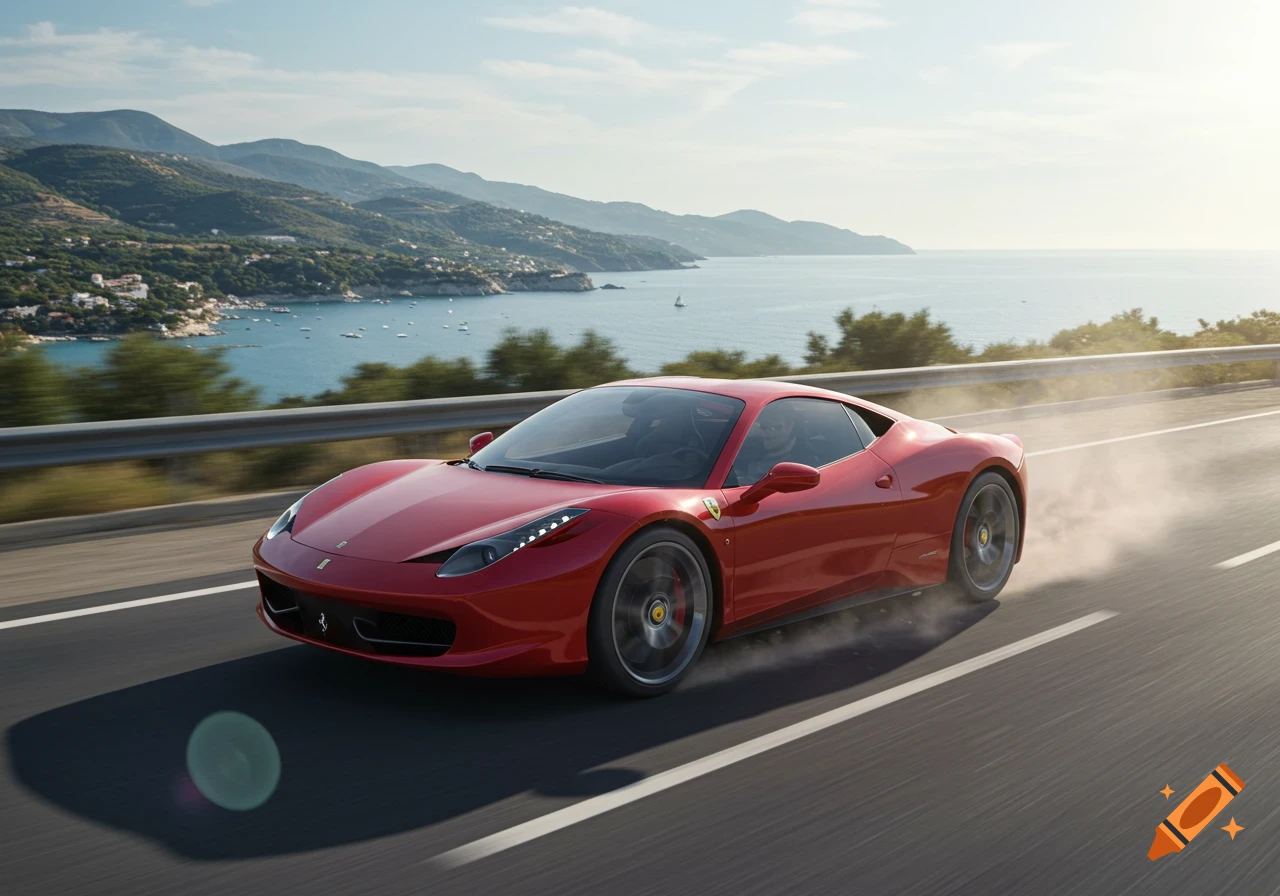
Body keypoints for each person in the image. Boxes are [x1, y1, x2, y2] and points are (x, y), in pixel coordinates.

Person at [732, 401, 819, 486]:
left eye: (772, 427)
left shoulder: (803, 461)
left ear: (789, 425)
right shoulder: (750, 446)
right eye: (762, 427)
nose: (766, 433)